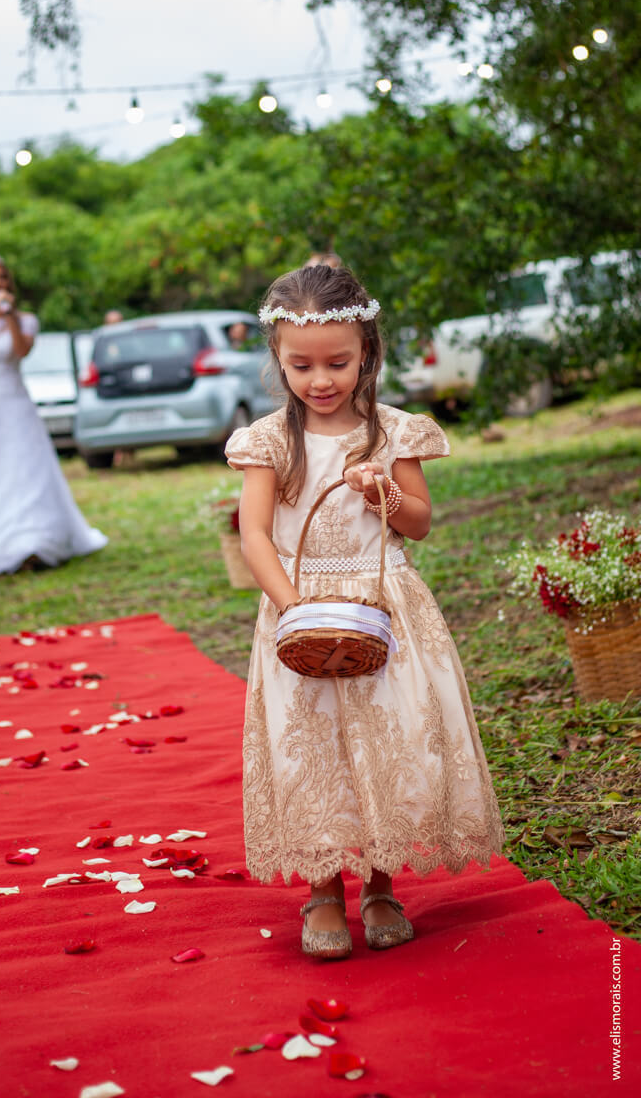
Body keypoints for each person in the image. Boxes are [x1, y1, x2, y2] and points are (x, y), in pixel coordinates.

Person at [225, 264, 505, 959]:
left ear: (367, 353)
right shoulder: (269, 441)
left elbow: (419, 523)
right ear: (279, 359)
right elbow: (254, 535)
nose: (320, 380)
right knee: (314, 745)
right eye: (301, 366)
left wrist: (382, 491)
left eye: (338, 363)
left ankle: (380, 884)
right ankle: (323, 891)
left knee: (389, 739)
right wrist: (294, 612)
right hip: (300, 608)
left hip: (383, 605)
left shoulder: (393, 432)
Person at [0, 254, 107, 575]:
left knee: (23, 473)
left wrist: (9, 315)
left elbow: (21, 351)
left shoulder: (25, 320)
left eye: (2, 277)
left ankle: (31, 543)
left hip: (13, 404)